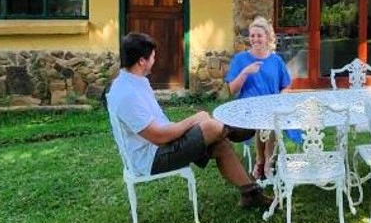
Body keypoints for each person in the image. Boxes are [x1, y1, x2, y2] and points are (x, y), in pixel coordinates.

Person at [107, 32, 271, 210]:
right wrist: (194, 120)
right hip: (152, 158)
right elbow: (159, 137)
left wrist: (193, 123)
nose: (155, 60)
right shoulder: (126, 94)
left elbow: (161, 127)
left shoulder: (136, 81)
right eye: (153, 57)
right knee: (210, 125)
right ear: (141, 61)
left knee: (220, 144)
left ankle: (251, 195)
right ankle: (234, 129)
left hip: (163, 145)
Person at [225, 16, 292, 180]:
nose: (255, 39)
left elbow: (287, 85)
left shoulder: (276, 60)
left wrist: (281, 98)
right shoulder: (241, 59)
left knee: (271, 118)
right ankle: (263, 160)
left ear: (267, 37)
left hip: (272, 106)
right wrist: (245, 72)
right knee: (264, 120)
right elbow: (232, 90)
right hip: (248, 109)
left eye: (259, 35)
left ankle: (265, 162)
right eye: (252, 35)